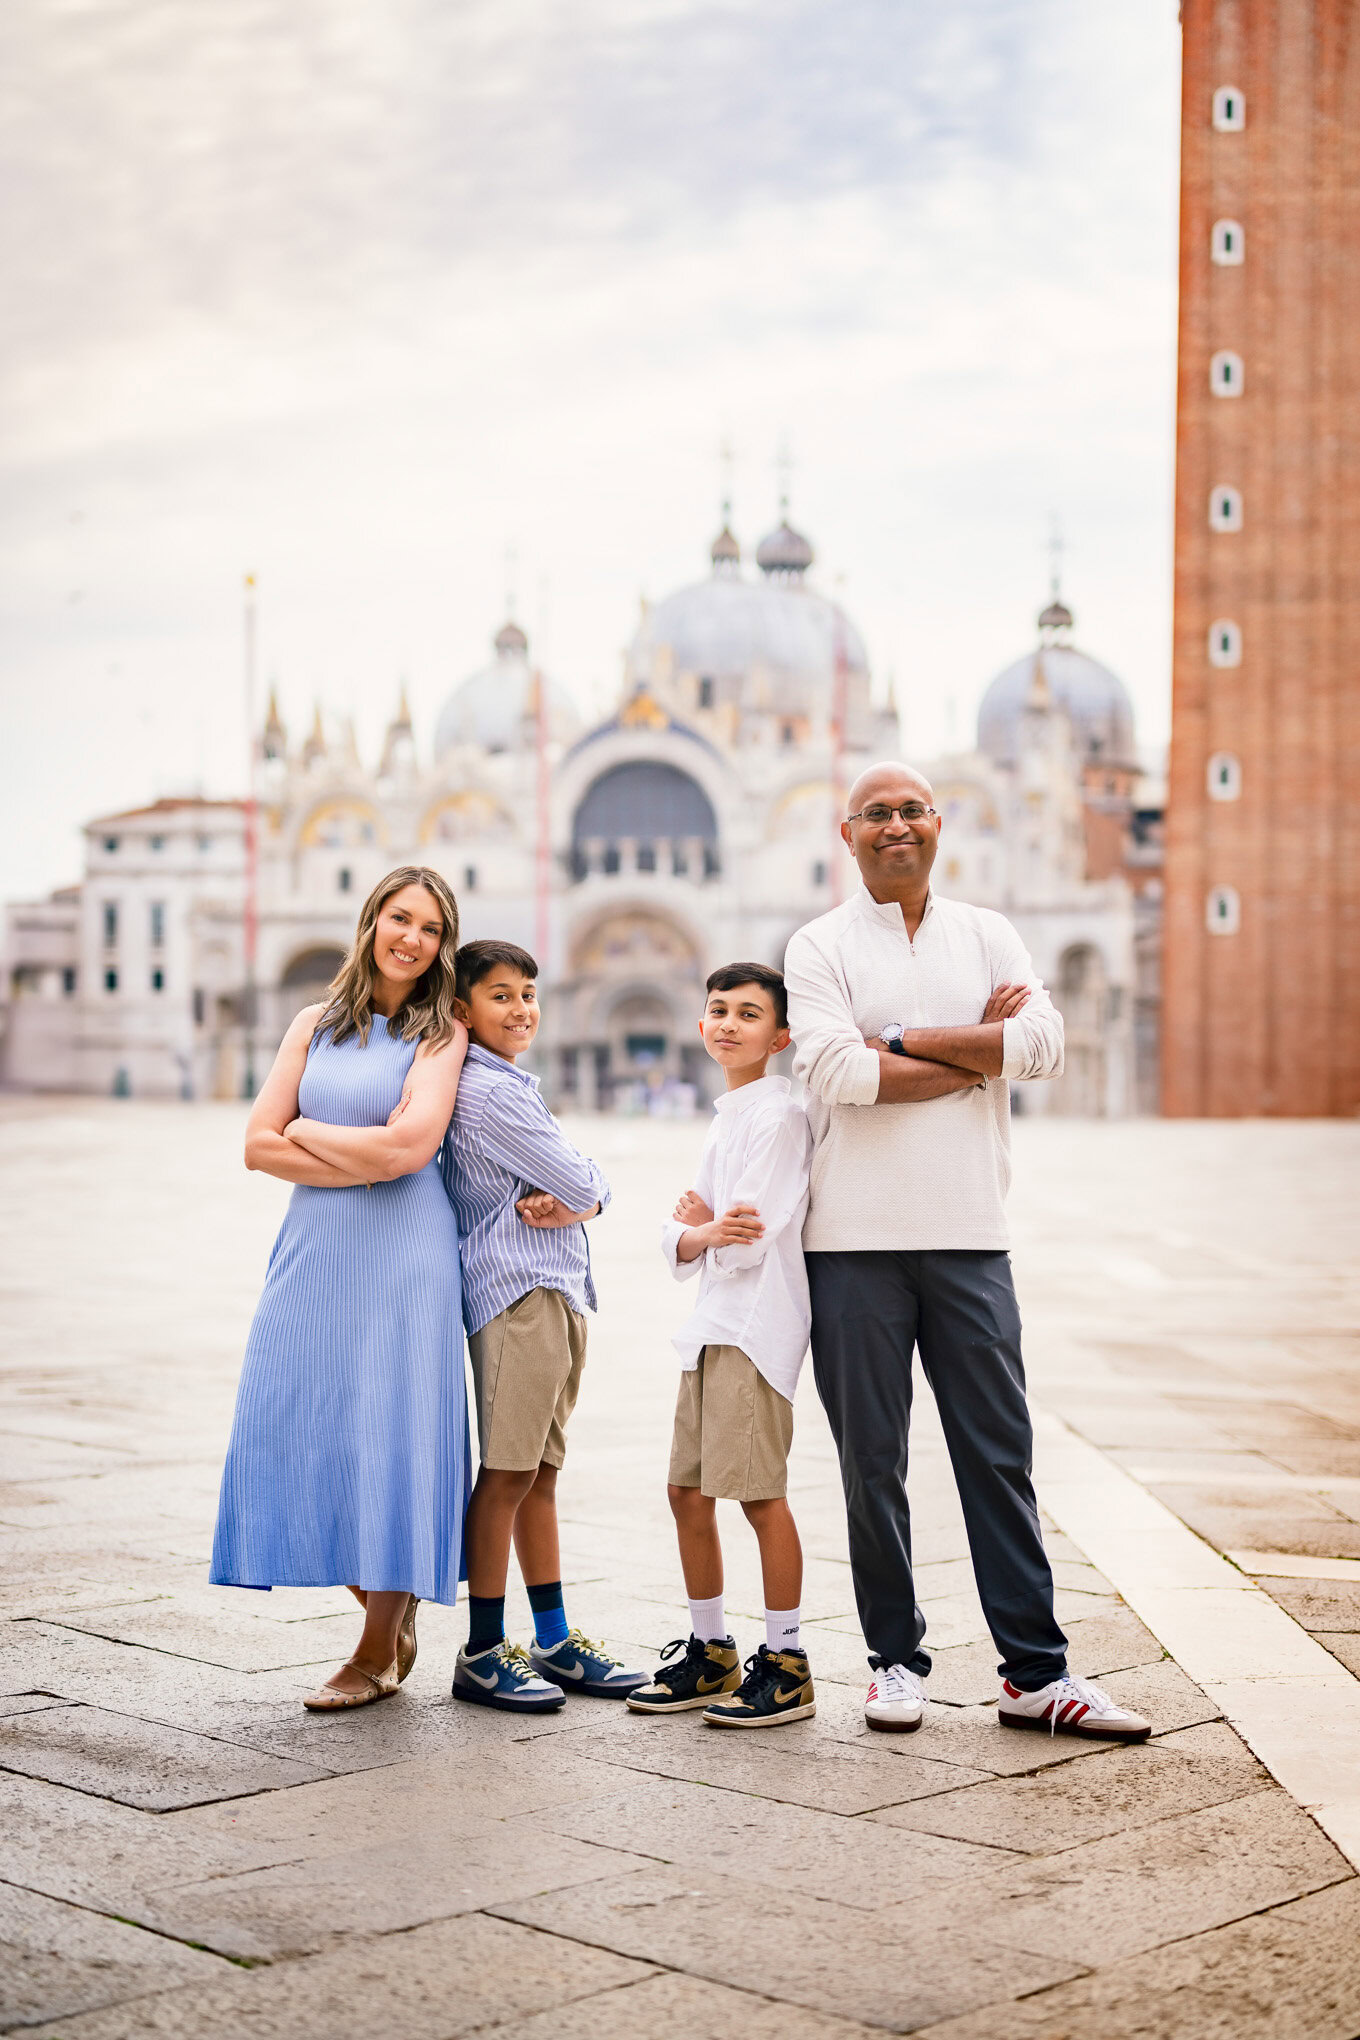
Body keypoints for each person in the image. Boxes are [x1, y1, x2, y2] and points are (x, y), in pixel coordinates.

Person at [784, 764, 1151, 1743]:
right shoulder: (816, 946)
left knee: (999, 1458)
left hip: (971, 1238)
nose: (895, 826)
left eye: (911, 810)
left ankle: (1036, 1675)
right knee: (872, 1465)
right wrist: (971, 1048)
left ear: (938, 826)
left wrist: (903, 1039)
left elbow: (1041, 1047)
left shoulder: (989, 931)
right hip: (850, 1244)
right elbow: (833, 1073)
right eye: (876, 814)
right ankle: (893, 1661)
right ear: (847, 833)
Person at [210, 866, 471, 1712]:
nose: (412, 939)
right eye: (400, 919)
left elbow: (410, 1150)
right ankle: (386, 1610)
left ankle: (374, 1650)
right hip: (314, 1247)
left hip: (405, 1255)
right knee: (291, 1414)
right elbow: (256, 1145)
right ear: (371, 923)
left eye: (430, 929)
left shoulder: (445, 1031)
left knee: (390, 1430)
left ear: (443, 945)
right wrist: (357, 1148)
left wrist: (313, 1132)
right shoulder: (312, 1023)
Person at [443, 939, 645, 1711]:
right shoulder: (493, 1094)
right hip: (519, 1293)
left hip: (553, 1286)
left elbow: (576, 1182)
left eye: (528, 993)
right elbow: (580, 1177)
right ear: (461, 1009)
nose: (521, 1008)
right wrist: (589, 1195)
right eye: (500, 995)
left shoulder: (506, 1084)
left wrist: (582, 1195)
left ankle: (555, 1640)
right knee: (507, 1475)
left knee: (540, 1474)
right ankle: (484, 1649)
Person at [628, 963, 815, 1729]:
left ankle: (788, 1662)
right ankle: (712, 1651)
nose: (729, 1024)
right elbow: (686, 1234)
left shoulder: (778, 1117)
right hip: (710, 1326)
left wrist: (700, 1230)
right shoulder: (726, 1115)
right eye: (717, 1010)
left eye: (748, 1013)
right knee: (686, 1492)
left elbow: (743, 1240)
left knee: (759, 1496)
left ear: (781, 1036)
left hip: (755, 1326)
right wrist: (698, 1230)